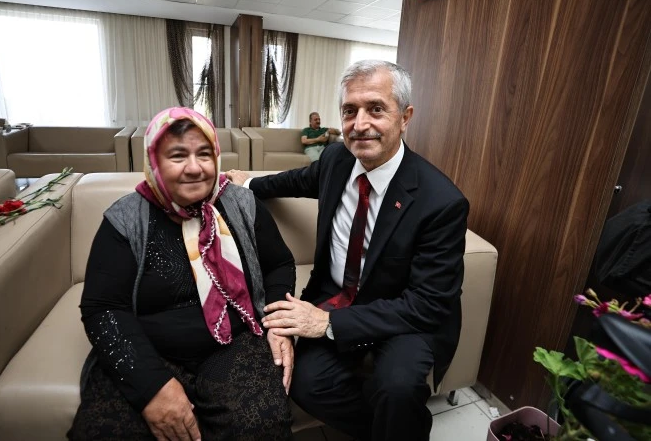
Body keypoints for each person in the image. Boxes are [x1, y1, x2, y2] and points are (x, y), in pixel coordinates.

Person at [226, 60, 469, 441]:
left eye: (376, 109)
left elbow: (427, 305)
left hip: (404, 315)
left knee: (397, 388)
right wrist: (247, 184)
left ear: (405, 118)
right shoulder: (337, 160)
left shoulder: (441, 202)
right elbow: (295, 180)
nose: (359, 124)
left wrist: (327, 324)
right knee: (306, 383)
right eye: (349, 110)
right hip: (339, 294)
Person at [70, 107, 296, 441]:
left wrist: (279, 325)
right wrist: (152, 387)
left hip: (236, 343)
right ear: (154, 162)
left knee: (262, 424)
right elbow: (103, 308)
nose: (194, 167)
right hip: (149, 348)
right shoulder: (125, 219)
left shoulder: (242, 204)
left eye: (204, 154)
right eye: (178, 156)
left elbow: (279, 265)